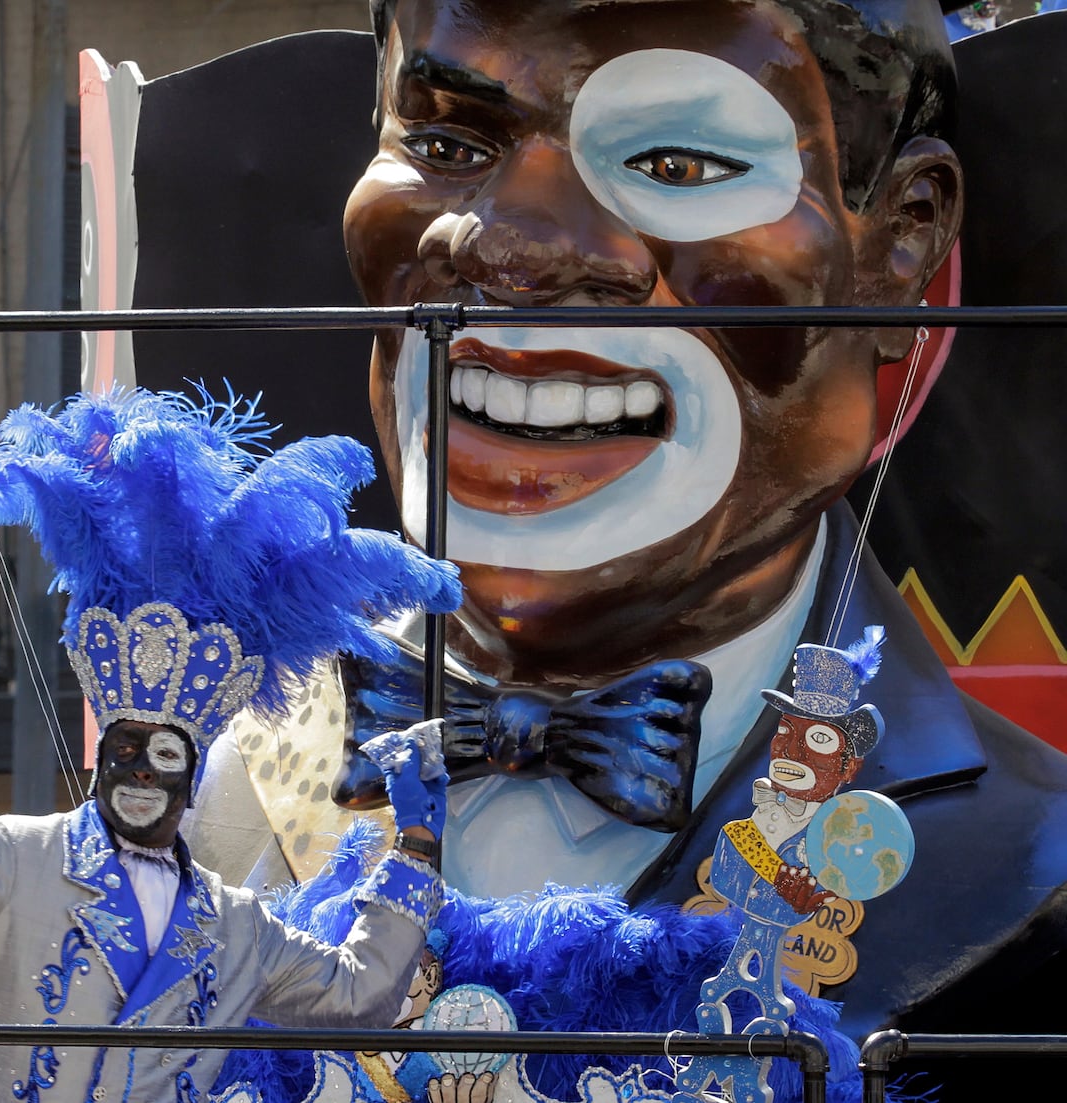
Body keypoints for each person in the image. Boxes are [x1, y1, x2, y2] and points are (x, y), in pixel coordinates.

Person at [187, 0, 1067, 1061]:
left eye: (678, 162)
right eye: (447, 144)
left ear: (900, 241)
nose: (504, 242)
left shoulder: (1028, 867)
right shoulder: (215, 787)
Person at [0, 388, 462, 1103]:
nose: (139, 770)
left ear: (192, 774)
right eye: (126, 747)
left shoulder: (235, 928)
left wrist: (417, 845)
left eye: (163, 755)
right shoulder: (9, 856)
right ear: (102, 752)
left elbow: (357, 990)